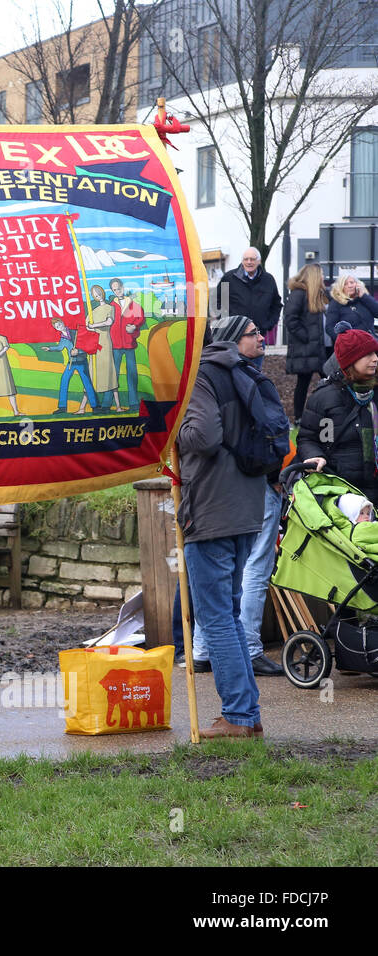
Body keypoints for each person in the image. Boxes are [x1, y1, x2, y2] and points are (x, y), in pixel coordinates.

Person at [176, 313, 269, 739]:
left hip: (212, 508)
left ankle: (237, 715)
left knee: (215, 618)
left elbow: (205, 438)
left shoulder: (202, 376)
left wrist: (173, 433)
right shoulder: (244, 371)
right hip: (247, 506)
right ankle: (246, 714)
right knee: (228, 614)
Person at [298, 328, 378, 506]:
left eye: (375, 352)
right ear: (350, 361)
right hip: (343, 493)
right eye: (367, 354)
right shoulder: (324, 398)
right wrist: (314, 456)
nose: (375, 359)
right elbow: (308, 439)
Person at [283, 264, 330, 421]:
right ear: (314, 276)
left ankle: (324, 413)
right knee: (303, 383)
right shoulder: (298, 294)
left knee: (328, 380)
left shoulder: (320, 294)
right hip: (306, 347)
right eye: (321, 274)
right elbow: (290, 319)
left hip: (319, 348)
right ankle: (298, 417)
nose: (323, 277)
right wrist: (307, 337)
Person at [216, 248, 282, 337]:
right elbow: (218, 302)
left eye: (252, 259)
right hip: (235, 335)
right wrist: (227, 324)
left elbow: (276, 304)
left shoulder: (268, 280)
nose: (249, 262)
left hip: (258, 334)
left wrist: (268, 325)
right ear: (242, 261)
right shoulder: (228, 278)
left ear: (259, 261)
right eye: (246, 259)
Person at [42, 319, 98, 414]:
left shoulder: (75, 333)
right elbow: (60, 347)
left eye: (60, 324)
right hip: (71, 363)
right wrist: (50, 349)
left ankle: (95, 406)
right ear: (57, 329)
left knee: (87, 383)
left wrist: (78, 352)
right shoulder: (63, 338)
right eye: (57, 326)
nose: (60, 326)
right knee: (64, 380)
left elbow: (85, 344)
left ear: (63, 323)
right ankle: (62, 407)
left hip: (81, 361)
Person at [109, 281, 146, 411]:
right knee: (113, 374)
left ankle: (134, 402)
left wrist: (135, 326)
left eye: (118, 288)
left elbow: (141, 317)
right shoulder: (112, 306)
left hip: (129, 343)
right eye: (114, 290)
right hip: (115, 344)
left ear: (123, 288)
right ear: (112, 291)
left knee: (132, 374)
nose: (117, 291)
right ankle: (107, 403)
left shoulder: (133, 304)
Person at [86, 285, 121, 409]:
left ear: (102, 292)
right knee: (92, 371)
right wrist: (90, 326)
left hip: (105, 342)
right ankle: (83, 407)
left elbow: (109, 322)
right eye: (94, 294)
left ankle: (118, 406)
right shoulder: (92, 312)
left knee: (109, 371)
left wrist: (94, 325)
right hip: (94, 344)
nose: (97, 294)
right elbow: (86, 326)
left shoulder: (110, 308)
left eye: (98, 292)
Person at [324, 273, 378, 343]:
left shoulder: (364, 299)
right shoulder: (336, 303)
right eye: (345, 284)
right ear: (341, 287)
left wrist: (364, 296)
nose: (350, 286)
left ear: (358, 284)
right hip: (351, 346)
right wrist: (345, 341)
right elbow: (329, 328)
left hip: (369, 343)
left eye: (352, 282)